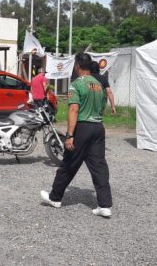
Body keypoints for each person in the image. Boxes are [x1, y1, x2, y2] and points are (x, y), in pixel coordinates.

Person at [40, 53, 113, 218]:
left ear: (78, 66)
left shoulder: (76, 84)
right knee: (99, 166)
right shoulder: (99, 83)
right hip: (98, 127)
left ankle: (55, 197)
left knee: (69, 163)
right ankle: (104, 204)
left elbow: (73, 110)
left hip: (82, 127)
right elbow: (103, 106)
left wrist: (70, 135)